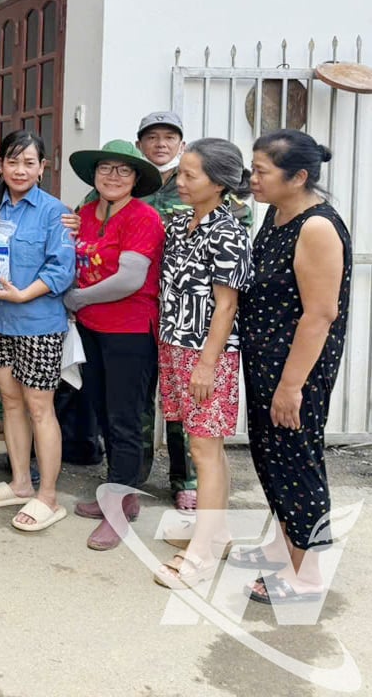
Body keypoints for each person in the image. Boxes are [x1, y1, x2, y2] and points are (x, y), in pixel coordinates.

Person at [238, 130, 351, 605]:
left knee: (296, 460)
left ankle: (307, 576)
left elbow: (320, 314)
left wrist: (291, 386)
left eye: (262, 171)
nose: (253, 179)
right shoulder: (277, 213)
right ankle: (284, 543)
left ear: (299, 176)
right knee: (270, 456)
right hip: (267, 361)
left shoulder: (317, 227)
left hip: (295, 371)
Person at [145, 138, 253, 586]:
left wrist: (207, 365)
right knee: (203, 446)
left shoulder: (229, 231)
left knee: (204, 450)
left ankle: (203, 553)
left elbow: (226, 307)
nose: (181, 181)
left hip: (208, 354)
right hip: (175, 345)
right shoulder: (183, 222)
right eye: (182, 173)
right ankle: (218, 529)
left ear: (220, 182)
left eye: (191, 175)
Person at [0, 130, 75, 532]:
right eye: (13, 162)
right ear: (1, 166)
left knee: (39, 408)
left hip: (39, 325)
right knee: (10, 402)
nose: (20, 169)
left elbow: (61, 269)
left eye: (29, 162)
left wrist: (22, 295)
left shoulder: (54, 211)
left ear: (43, 168)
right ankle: (19, 483)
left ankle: (48, 495)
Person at [64, 140, 165, 550]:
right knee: (103, 410)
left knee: (125, 417)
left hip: (130, 331)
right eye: (106, 168)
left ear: (136, 179)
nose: (113, 176)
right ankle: (119, 494)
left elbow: (130, 279)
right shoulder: (85, 214)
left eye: (123, 171)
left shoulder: (145, 217)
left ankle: (118, 511)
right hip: (91, 329)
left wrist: (77, 298)